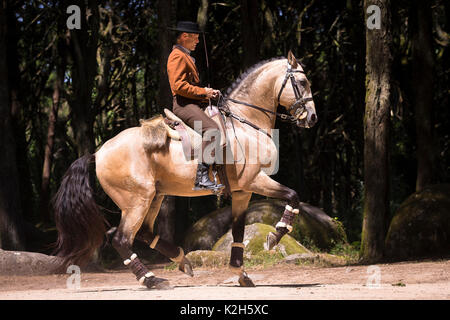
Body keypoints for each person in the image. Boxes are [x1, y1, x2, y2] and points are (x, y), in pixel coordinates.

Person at [167, 21, 224, 191]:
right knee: (212, 129)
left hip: (192, 103)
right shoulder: (177, 55)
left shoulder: (185, 55)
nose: (198, 41)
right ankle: (202, 177)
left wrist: (208, 93)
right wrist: (203, 92)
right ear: (185, 36)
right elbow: (178, 86)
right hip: (183, 105)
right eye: (196, 38)